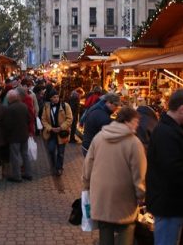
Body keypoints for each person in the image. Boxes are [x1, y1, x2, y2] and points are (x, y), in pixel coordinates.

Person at [82, 107, 147, 245]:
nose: (137, 125)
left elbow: (88, 164)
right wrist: (141, 195)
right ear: (128, 121)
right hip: (124, 197)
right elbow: (139, 174)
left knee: (105, 228)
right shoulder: (134, 143)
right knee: (126, 228)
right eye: (135, 122)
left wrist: (86, 185)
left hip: (100, 194)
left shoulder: (99, 137)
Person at [146, 89, 183, 245]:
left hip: (170, 203)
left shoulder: (170, 128)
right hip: (168, 205)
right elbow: (173, 170)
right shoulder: (166, 133)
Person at [41, 89, 73, 176]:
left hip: (62, 133)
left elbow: (69, 119)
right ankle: (54, 165)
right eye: (54, 97)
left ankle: (59, 168)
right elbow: (43, 120)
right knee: (51, 150)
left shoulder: (65, 106)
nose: (56, 99)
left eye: (57, 97)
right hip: (51, 133)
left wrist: (61, 127)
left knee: (61, 152)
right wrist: (50, 128)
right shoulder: (46, 107)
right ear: (50, 98)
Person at [5, 89, 32, 182]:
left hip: (14, 136)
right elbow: (29, 119)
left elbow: (7, 125)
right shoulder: (23, 106)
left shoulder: (10, 108)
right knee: (25, 154)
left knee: (15, 156)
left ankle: (17, 176)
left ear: (10, 99)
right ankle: (28, 174)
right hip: (24, 134)